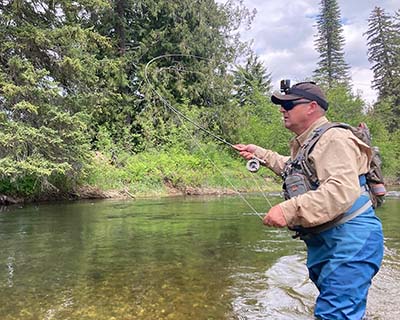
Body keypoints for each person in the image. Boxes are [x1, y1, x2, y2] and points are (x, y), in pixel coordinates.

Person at [234, 81, 384, 320]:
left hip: (351, 242)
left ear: (312, 107)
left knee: (334, 315)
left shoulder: (334, 138)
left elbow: (340, 189)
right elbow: (294, 170)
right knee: (339, 310)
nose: (283, 109)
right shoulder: (309, 143)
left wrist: (288, 210)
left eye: (289, 104)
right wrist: (259, 153)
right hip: (328, 243)